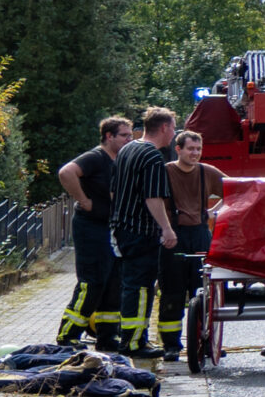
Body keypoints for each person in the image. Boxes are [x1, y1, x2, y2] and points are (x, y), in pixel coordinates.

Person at [104, 108, 179, 357]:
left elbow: (113, 191)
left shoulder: (127, 149)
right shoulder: (152, 157)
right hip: (141, 231)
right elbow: (153, 198)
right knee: (141, 287)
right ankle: (135, 343)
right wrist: (167, 229)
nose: (174, 133)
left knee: (130, 285)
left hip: (122, 227)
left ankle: (130, 339)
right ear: (165, 128)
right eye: (174, 127)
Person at [55, 117, 133, 346]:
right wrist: (84, 200)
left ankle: (108, 337)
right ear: (109, 136)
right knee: (93, 282)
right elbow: (66, 172)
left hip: (111, 228)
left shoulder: (120, 160)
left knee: (113, 282)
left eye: (130, 135)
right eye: (125, 135)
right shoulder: (95, 157)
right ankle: (68, 335)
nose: (129, 139)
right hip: (91, 227)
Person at [157, 131, 226, 360]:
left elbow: (235, 191)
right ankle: (171, 346)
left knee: (204, 291)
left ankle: (206, 342)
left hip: (200, 235)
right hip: (173, 235)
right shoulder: (165, 172)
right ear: (178, 149)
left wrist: (214, 212)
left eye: (198, 149)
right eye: (190, 149)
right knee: (172, 292)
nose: (195, 153)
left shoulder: (207, 172)